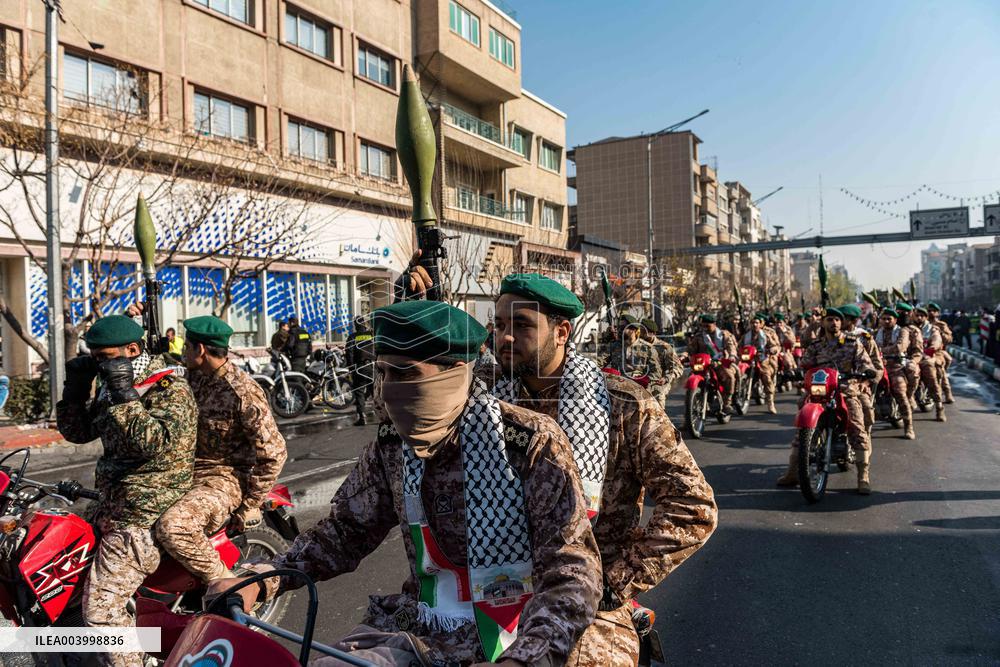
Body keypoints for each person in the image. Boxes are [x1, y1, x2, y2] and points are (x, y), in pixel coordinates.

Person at [207, 300, 602, 666]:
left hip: (514, 633)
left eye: (406, 373)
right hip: (419, 626)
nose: (389, 390)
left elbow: (572, 571)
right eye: (383, 373)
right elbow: (346, 532)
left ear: (454, 373)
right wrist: (264, 579)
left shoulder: (527, 443)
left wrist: (527, 657)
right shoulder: (391, 446)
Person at [490, 274, 717, 665]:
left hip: (590, 597)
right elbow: (408, 392)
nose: (505, 337)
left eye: (522, 325)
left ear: (561, 332)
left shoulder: (622, 406)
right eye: (499, 326)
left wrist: (612, 584)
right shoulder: (486, 395)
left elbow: (693, 505)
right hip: (494, 584)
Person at [56, 316, 197, 667]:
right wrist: (74, 390)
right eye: (95, 358)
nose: (100, 364)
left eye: (105, 356)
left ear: (133, 350)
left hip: (145, 508)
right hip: (112, 501)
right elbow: (79, 432)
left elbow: (152, 443)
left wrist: (122, 394)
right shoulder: (116, 379)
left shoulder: (169, 387)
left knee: (101, 614)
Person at [154, 315, 287, 586]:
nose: (182, 351)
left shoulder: (243, 392)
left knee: (174, 527)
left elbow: (274, 453)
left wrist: (250, 504)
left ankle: (226, 584)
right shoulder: (195, 376)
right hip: (184, 471)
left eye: (186, 346)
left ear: (200, 350)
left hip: (224, 479)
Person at [776, 308, 876, 493]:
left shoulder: (853, 344)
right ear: (824, 323)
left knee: (856, 426)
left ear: (842, 322)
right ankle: (793, 472)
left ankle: (863, 476)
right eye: (830, 319)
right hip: (819, 393)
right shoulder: (816, 346)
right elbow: (804, 364)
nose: (834, 323)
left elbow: (866, 363)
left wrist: (866, 372)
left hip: (845, 390)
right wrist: (797, 372)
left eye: (838, 319)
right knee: (801, 429)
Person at [840, 304, 883, 433]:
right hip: (835, 381)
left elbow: (877, 364)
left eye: (844, 318)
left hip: (858, 382)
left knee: (866, 409)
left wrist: (867, 382)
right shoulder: (833, 336)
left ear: (853, 320)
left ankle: (864, 439)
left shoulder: (864, 338)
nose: (839, 321)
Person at [875, 308, 916, 440]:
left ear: (895, 320)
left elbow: (900, 347)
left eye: (889, 319)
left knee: (899, 392)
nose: (886, 321)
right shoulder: (876, 332)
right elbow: (868, 347)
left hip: (896, 366)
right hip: (879, 367)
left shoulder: (902, 331)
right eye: (883, 318)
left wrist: (880, 351)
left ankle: (908, 427)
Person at [686, 314, 739, 414]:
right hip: (703, 365)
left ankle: (727, 403)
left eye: (707, 326)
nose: (705, 328)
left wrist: (732, 355)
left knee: (729, 376)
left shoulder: (724, 335)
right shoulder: (699, 336)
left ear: (714, 324)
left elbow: (730, 347)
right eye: (703, 326)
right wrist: (684, 356)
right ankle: (689, 416)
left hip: (719, 363)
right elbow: (690, 349)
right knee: (690, 379)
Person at [601, 315, 662, 385]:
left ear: (634, 330)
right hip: (617, 388)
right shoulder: (613, 346)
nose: (619, 330)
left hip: (639, 390)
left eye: (623, 327)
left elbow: (656, 372)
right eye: (618, 327)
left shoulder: (647, 348)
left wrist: (645, 382)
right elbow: (598, 363)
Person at [742, 312, 781, 414]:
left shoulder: (767, 334)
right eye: (753, 322)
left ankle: (770, 403)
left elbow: (775, 345)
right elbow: (739, 346)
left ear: (761, 324)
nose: (755, 324)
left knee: (766, 377)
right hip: (749, 360)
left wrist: (773, 349)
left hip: (763, 358)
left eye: (757, 322)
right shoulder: (747, 335)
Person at [912, 306, 946, 422]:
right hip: (913, 357)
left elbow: (936, 342)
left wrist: (929, 350)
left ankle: (939, 407)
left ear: (925, 317)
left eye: (922, 316)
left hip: (929, 356)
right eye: (917, 315)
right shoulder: (909, 329)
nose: (919, 318)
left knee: (930, 374)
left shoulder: (932, 329)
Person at [641, 317, 684, 409]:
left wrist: (666, 378)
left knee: (657, 403)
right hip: (640, 381)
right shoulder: (637, 345)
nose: (640, 333)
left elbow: (678, 368)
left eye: (644, 331)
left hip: (658, 382)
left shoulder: (664, 348)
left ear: (652, 333)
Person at [345, 314, 375, 426]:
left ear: (355, 325)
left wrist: (351, 368)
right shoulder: (371, 335)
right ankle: (385, 416)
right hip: (372, 367)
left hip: (359, 368)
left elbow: (349, 353)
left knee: (359, 393)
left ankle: (362, 417)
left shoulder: (352, 337)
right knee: (375, 392)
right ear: (364, 324)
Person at [895, 302, 924, 409]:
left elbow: (918, 351)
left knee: (912, 369)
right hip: (891, 359)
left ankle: (910, 395)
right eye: (899, 312)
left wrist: (913, 360)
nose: (903, 314)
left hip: (909, 358)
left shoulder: (913, 330)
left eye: (905, 312)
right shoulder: (891, 328)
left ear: (911, 313)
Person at [926, 302, 955, 403]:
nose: (930, 313)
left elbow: (949, 339)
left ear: (937, 313)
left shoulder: (941, 325)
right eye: (929, 311)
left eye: (933, 311)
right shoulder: (923, 323)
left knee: (941, 369)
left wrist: (941, 333)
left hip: (938, 351)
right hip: (923, 350)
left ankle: (947, 393)